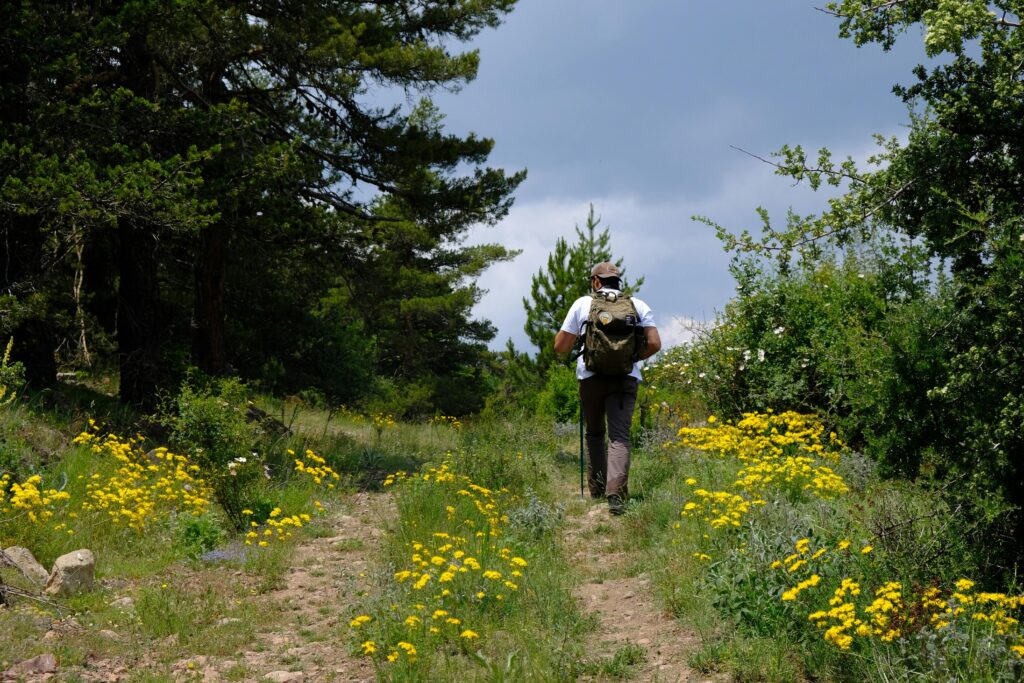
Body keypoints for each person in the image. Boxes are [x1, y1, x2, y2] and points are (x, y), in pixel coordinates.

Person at [553, 261, 661, 515]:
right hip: (625, 378)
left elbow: (560, 346)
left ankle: (597, 489)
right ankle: (616, 496)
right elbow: (655, 343)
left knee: (594, 433)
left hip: (591, 378)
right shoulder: (637, 305)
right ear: (618, 282)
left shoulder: (583, 304)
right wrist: (631, 358)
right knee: (619, 436)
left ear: (596, 282)